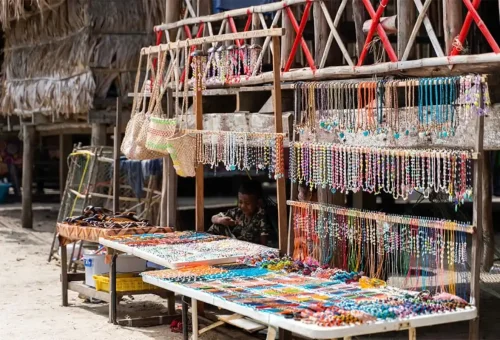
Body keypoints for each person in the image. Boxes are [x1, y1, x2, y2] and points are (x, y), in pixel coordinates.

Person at [208, 180, 270, 245]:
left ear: (258, 203)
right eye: (240, 202)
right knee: (217, 225)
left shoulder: (261, 216)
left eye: (247, 203)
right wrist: (221, 220)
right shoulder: (238, 211)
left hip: (249, 247)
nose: (243, 206)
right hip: (234, 243)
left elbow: (264, 242)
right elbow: (213, 218)